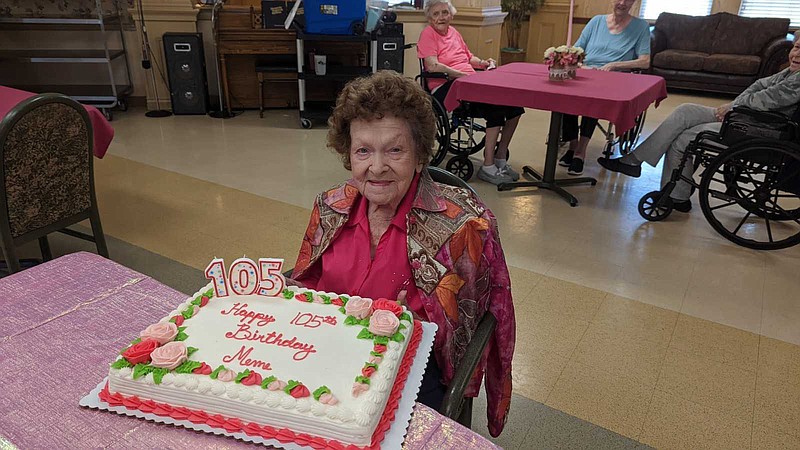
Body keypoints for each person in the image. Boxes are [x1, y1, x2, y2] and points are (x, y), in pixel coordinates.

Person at [289, 71, 516, 437]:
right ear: (348, 153)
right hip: (325, 353)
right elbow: (308, 280)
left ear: (420, 154)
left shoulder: (460, 228)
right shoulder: (330, 207)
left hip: (410, 370)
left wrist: (411, 322)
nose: (376, 167)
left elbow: (465, 329)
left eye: (395, 150)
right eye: (363, 150)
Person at [598, 31, 800, 212]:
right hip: (745, 115)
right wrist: (734, 106)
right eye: (797, 48)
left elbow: (762, 99)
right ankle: (635, 161)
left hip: (758, 127)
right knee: (686, 111)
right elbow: (756, 88)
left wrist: (732, 108)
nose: (796, 54)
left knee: (684, 139)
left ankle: (677, 195)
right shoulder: (790, 72)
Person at [417, 0, 525, 185]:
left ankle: (500, 157)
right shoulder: (428, 34)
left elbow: (468, 58)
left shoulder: (454, 32)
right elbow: (433, 66)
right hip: (445, 86)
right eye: (436, 14)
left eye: (445, 12)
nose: (441, 17)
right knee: (496, 107)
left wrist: (483, 63)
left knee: (514, 107)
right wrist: (460, 75)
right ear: (429, 18)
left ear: (451, 15)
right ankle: (488, 166)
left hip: (468, 82)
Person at [559, 0, 651, 175]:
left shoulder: (640, 27)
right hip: (587, 72)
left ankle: (580, 152)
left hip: (614, 79)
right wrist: (578, 64)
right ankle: (572, 145)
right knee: (566, 96)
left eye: (627, 0)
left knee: (593, 99)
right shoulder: (596, 21)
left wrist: (614, 65)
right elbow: (576, 50)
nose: (622, 3)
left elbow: (645, 61)